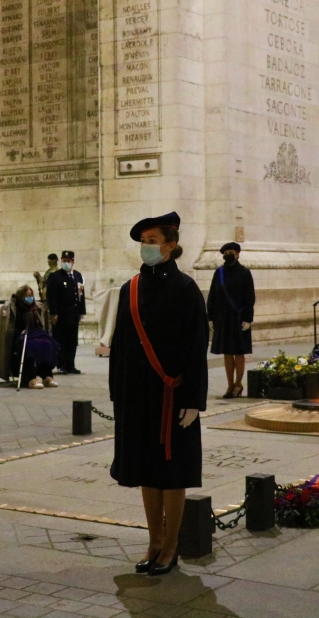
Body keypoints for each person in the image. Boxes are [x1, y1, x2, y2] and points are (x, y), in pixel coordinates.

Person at [109, 212, 207, 577]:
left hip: (172, 397)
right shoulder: (129, 288)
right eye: (143, 241)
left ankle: (171, 545)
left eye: (152, 241)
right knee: (146, 471)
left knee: (172, 473)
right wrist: (116, 392)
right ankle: (152, 541)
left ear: (170, 244)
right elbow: (120, 346)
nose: (146, 247)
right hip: (136, 396)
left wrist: (194, 400)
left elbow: (197, 347)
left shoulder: (186, 290)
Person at [207, 242, 255, 398]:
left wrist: (248, 319)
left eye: (231, 252)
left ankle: (238, 384)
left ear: (238, 254)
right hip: (223, 318)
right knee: (227, 353)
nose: (228, 254)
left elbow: (249, 298)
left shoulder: (244, 273)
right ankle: (229, 385)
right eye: (225, 252)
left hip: (239, 318)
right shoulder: (219, 272)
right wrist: (210, 317)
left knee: (239, 353)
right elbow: (212, 295)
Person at [9, 285, 58, 389]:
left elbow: (39, 325)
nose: (30, 298)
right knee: (31, 346)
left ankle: (47, 376)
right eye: (27, 296)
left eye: (31, 295)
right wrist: (20, 332)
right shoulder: (16, 309)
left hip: (35, 334)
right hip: (21, 336)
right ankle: (31, 378)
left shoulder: (35, 308)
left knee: (47, 344)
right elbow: (11, 328)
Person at [47, 250, 86, 374]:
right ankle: (61, 365)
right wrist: (53, 313)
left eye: (68, 261)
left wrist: (82, 311)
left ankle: (71, 364)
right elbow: (51, 296)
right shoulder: (56, 276)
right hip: (61, 315)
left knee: (72, 341)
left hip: (74, 314)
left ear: (73, 262)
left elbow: (81, 295)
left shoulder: (78, 276)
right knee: (61, 340)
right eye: (64, 261)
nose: (66, 263)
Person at [33, 253, 60, 332]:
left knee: (49, 321)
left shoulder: (53, 272)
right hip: (48, 299)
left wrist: (38, 277)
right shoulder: (53, 271)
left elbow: (43, 284)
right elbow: (43, 284)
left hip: (50, 300)